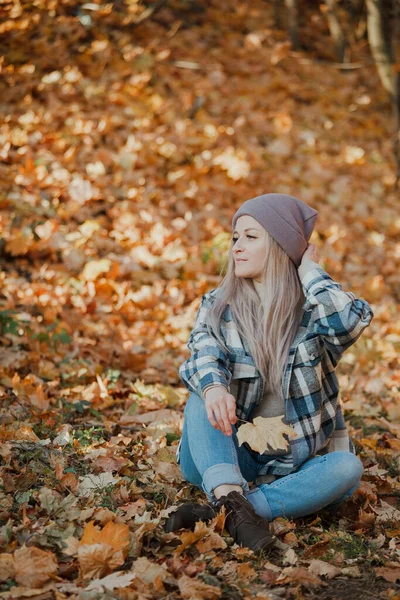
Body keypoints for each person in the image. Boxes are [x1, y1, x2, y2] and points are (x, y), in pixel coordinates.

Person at [165, 193, 374, 554]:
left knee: (346, 468)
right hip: (225, 455)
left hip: (293, 465)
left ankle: (227, 510)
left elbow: (347, 323)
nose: (237, 248)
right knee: (203, 392)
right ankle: (233, 497)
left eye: (250, 237)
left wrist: (309, 271)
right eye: (235, 238)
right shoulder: (220, 305)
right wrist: (215, 387)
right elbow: (203, 352)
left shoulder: (313, 314)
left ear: (280, 245)